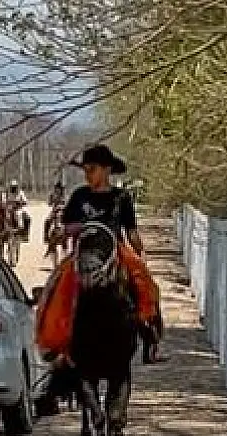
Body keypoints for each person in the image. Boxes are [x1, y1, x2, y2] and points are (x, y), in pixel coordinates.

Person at [46, 144, 166, 364]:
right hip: (84, 250)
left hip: (115, 250)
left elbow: (131, 231)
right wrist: (64, 232)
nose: (87, 174)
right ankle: (54, 341)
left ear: (106, 170)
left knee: (146, 284)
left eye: (92, 169)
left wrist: (140, 253)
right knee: (55, 284)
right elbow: (68, 225)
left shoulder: (122, 198)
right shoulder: (79, 195)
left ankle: (150, 336)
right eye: (85, 170)